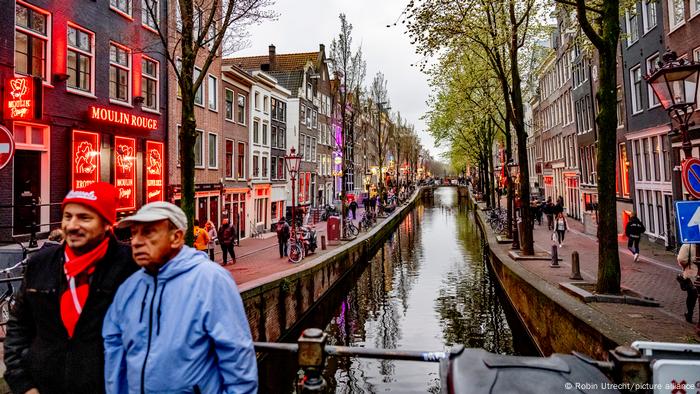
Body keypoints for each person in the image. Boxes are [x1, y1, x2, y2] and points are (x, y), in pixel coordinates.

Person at [104, 202, 257, 393]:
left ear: (176, 238)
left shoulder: (210, 281)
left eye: (148, 232)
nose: (135, 241)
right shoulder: (129, 288)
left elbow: (237, 357)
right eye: (134, 233)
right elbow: (114, 351)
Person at [4, 182, 138, 394]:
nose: (73, 225)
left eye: (84, 218)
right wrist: (23, 384)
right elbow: (19, 326)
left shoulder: (131, 267)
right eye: (68, 216)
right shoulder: (40, 263)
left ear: (106, 223)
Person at [676, 243, 699, 325]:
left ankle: (690, 313)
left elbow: (681, 259)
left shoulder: (687, 245)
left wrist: (685, 265)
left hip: (692, 274)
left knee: (692, 296)